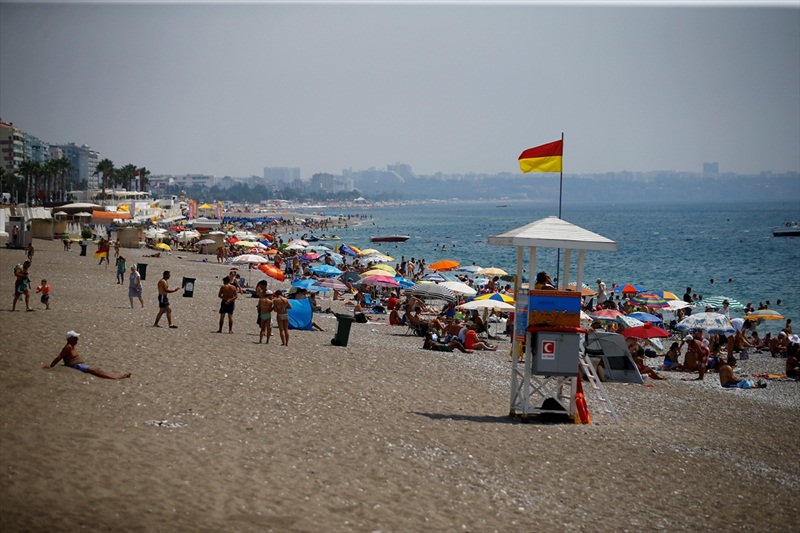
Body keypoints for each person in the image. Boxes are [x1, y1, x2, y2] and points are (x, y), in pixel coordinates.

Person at [43, 331, 131, 380]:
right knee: (94, 370)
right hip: (76, 366)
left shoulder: (72, 346)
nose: (77, 339)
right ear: (70, 339)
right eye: (75, 337)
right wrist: (51, 366)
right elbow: (60, 356)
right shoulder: (68, 347)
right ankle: (116, 378)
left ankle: (115, 376)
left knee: (97, 370)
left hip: (80, 365)